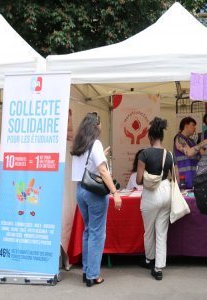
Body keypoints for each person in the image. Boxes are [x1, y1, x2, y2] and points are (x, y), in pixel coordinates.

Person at [71, 112, 122, 287]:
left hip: (80, 190)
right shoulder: (96, 143)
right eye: (100, 123)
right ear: (96, 125)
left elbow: (89, 164)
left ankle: (87, 271)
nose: (101, 126)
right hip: (94, 193)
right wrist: (115, 192)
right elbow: (102, 171)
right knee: (97, 233)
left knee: (88, 231)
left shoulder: (80, 143)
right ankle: (93, 274)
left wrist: (102, 154)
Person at [136, 117, 174, 281]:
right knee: (161, 232)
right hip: (166, 193)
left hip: (151, 195)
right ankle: (158, 268)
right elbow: (174, 177)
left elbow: (138, 180)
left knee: (149, 230)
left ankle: (148, 259)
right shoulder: (169, 154)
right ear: (162, 137)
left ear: (150, 138)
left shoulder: (144, 153)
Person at [173, 116, 207, 189]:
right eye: (193, 125)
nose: (195, 128)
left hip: (195, 181)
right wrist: (203, 143)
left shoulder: (192, 142)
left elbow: (204, 155)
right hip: (184, 181)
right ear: (186, 125)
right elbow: (189, 153)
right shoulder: (179, 138)